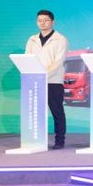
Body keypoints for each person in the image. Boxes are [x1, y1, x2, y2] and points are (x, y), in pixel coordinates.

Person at [26, 9, 68, 149]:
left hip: (53, 81)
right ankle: (36, 140)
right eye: (39, 20)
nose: (42, 23)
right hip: (35, 82)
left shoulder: (60, 39)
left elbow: (58, 62)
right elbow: (27, 58)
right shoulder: (32, 39)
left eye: (46, 20)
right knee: (35, 112)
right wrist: (33, 77)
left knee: (57, 112)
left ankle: (59, 140)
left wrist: (43, 76)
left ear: (52, 22)